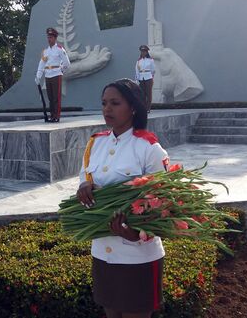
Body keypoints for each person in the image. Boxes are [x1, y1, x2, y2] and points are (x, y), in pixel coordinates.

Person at [76, 78, 169, 318]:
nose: (107, 109)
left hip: (136, 256)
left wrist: (136, 234)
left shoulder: (149, 148)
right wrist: (84, 186)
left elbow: (164, 204)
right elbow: (84, 177)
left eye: (115, 103)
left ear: (133, 108)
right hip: (103, 252)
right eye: (104, 103)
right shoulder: (95, 143)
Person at [35, 27, 71, 122]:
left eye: (51, 37)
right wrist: (38, 75)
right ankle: (52, 115)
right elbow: (41, 64)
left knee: (56, 97)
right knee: (50, 97)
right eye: (48, 37)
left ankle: (56, 116)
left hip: (56, 75)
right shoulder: (45, 51)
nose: (49, 39)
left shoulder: (59, 49)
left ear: (55, 38)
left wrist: (61, 70)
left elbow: (67, 63)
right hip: (48, 75)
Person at [135, 45, 156, 112]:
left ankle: (148, 108)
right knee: (142, 94)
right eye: (142, 51)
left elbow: (153, 70)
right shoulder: (139, 61)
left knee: (148, 93)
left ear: (147, 52)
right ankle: (144, 107)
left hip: (148, 77)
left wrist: (151, 76)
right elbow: (137, 70)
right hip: (141, 77)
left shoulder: (150, 60)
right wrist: (137, 79)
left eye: (144, 51)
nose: (143, 53)